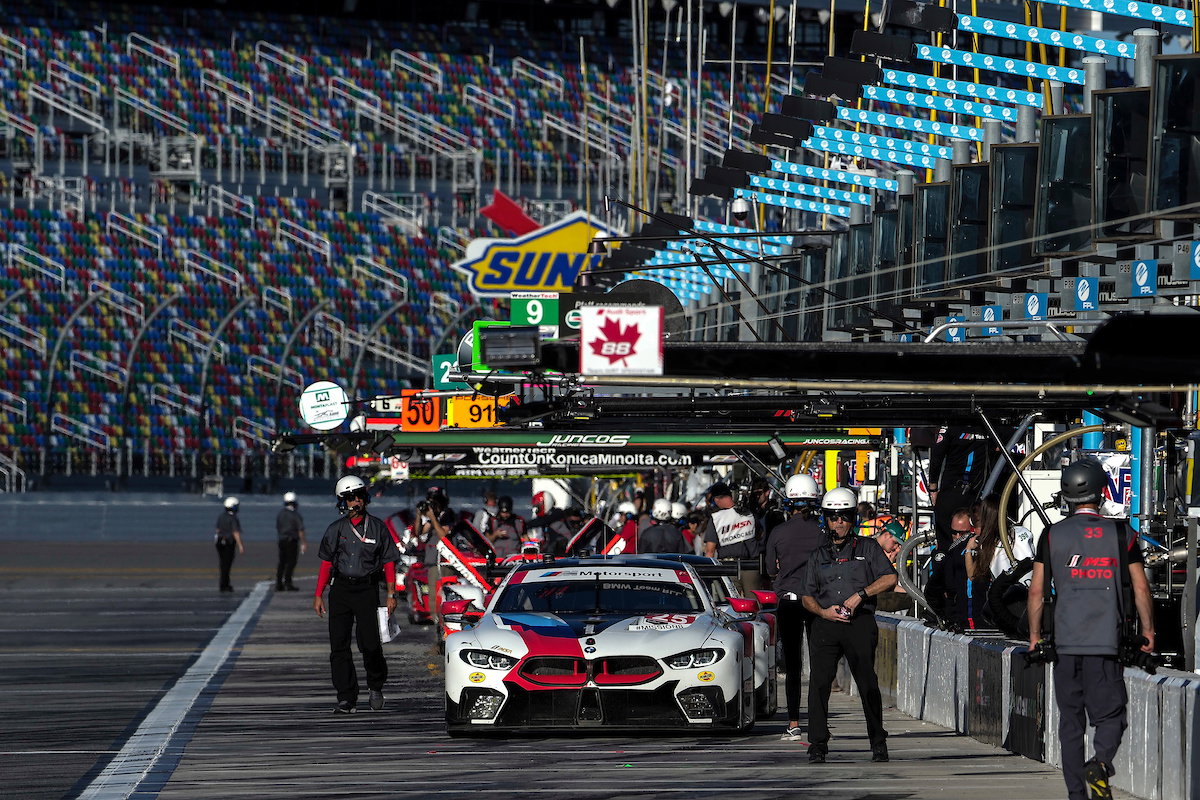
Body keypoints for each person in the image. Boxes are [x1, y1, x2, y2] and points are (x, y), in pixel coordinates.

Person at [1028, 459, 1154, 800]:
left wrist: (1035, 637)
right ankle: (1100, 762)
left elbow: (1037, 591)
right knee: (1111, 716)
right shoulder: (1121, 533)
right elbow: (1141, 588)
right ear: (1101, 490)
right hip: (1106, 642)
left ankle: (1076, 796)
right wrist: (1149, 631)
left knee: (1071, 724)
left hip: (1066, 643)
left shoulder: (1052, 534)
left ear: (1066, 495)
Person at [801, 486, 898, 763]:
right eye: (833, 517)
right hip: (826, 624)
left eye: (843, 517)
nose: (838, 522)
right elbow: (806, 595)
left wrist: (861, 595)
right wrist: (823, 612)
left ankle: (878, 741)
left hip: (860, 623)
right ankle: (817, 744)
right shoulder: (818, 555)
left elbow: (889, 578)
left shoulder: (868, 548)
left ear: (852, 518)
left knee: (867, 682)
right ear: (826, 519)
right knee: (819, 684)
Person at [313, 475, 400, 714]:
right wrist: (318, 594)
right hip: (340, 590)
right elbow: (325, 563)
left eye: (359, 496)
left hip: (367, 590)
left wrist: (391, 594)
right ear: (342, 502)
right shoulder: (335, 529)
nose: (356, 502)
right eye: (350, 498)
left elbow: (389, 562)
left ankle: (375, 685)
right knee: (338, 646)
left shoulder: (378, 527)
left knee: (370, 644)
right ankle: (346, 698)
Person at [765, 473, 823, 742]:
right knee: (821, 664)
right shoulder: (822, 533)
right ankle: (820, 720)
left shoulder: (778, 532)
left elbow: (769, 569)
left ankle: (793, 723)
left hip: (788, 602)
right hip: (816, 602)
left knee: (792, 666)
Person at [703, 482, 761, 592]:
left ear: (716, 499)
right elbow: (759, 535)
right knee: (754, 605)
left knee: (731, 605)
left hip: (728, 567)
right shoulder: (749, 512)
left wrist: (708, 575)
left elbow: (710, 551)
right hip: (751, 566)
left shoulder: (716, 519)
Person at [923, 508, 975, 629]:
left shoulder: (979, 550)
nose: (957, 537)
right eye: (954, 532)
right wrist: (945, 615)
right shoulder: (945, 554)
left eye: (962, 534)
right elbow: (932, 590)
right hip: (955, 618)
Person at [420, 487, 455, 626]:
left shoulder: (448, 515)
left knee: (445, 592)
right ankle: (436, 621)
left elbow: (443, 535)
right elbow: (420, 536)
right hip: (432, 560)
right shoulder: (429, 518)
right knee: (433, 594)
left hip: (444, 561)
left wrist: (433, 518)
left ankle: (446, 620)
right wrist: (420, 515)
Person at [275, 491, 306, 591]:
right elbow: (300, 529)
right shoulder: (295, 515)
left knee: (282, 562)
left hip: (282, 540)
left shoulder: (280, 514)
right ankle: (288, 583)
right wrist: (303, 542)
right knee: (291, 562)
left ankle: (279, 583)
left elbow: (278, 527)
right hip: (291, 541)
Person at [214, 496, 245, 593]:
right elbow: (235, 532)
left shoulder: (221, 516)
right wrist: (240, 545)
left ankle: (223, 583)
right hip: (228, 543)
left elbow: (217, 530)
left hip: (219, 542)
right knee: (227, 564)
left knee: (223, 564)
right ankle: (225, 584)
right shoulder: (233, 518)